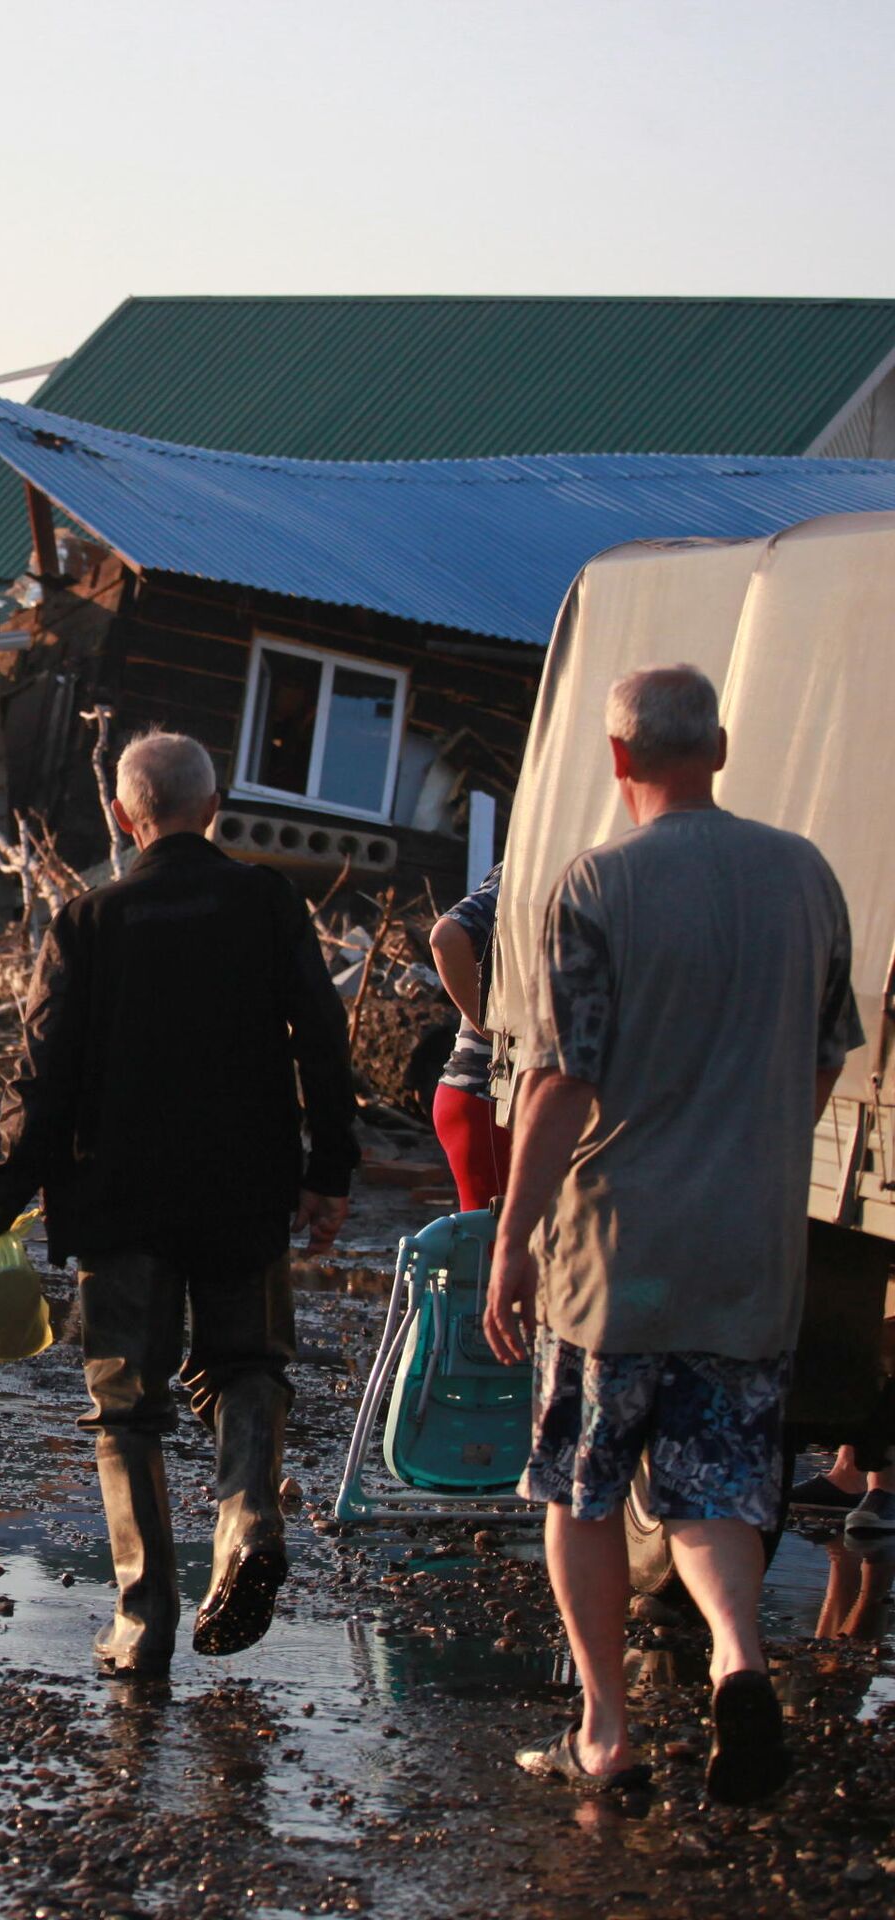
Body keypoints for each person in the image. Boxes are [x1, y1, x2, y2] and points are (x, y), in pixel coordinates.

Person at [484, 665, 862, 1804]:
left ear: (615, 759)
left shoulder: (599, 884)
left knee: (585, 1487)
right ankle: (740, 1666)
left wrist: (511, 1244)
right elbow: (827, 1053)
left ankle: (605, 1731)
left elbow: (559, 1082)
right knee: (717, 1487)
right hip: (752, 1253)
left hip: (618, 1253)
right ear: (724, 747)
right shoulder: (807, 876)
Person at [0, 730, 359, 1676]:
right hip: (245, 1188)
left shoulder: (87, 922)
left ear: (122, 816)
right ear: (213, 808)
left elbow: (41, 1077)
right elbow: (323, 1042)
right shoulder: (269, 901)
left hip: (121, 1198)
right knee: (249, 1363)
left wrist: (2, 1198)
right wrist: (329, 1171)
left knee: (128, 1408)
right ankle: (250, 1517)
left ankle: (143, 1621)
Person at [428, 860, 511, 1211]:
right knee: (492, 1252)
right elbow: (447, 937)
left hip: (494, 1100)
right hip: (490, 1095)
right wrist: (492, 1030)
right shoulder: (539, 862)